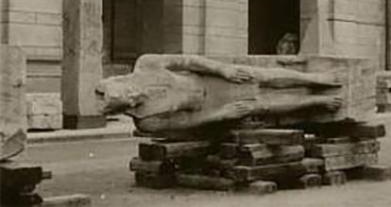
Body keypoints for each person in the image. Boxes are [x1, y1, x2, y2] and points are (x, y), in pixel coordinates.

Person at [96, 54, 342, 135]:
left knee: (264, 76)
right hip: (210, 107)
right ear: (124, 109)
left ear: (121, 81)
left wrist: (223, 69)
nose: (134, 96)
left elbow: (189, 61)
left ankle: (317, 79)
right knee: (264, 105)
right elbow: (190, 122)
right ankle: (317, 101)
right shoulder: (147, 121)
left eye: (129, 92)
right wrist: (222, 115)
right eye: (129, 102)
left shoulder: (146, 63)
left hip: (211, 79)